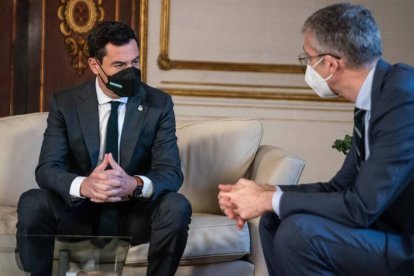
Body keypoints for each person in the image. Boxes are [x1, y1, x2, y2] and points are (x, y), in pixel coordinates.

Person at [218, 3, 414, 275]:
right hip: (382, 229)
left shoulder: (402, 98)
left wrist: (267, 201)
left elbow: (362, 206)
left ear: (331, 63)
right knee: (274, 220)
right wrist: (267, 193)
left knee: (298, 234)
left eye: (308, 58)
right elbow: (341, 186)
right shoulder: (373, 97)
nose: (308, 66)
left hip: (405, 244)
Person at [16, 21, 191, 276]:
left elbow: (171, 173)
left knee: (176, 206)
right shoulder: (66, 103)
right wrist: (84, 185)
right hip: (81, 213)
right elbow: (47, 169)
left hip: (132, 214)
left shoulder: (158, 103)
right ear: (95, 66)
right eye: (120, 65)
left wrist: (134, 184)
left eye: (135, 62)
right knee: (32, 201)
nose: (130, 72)